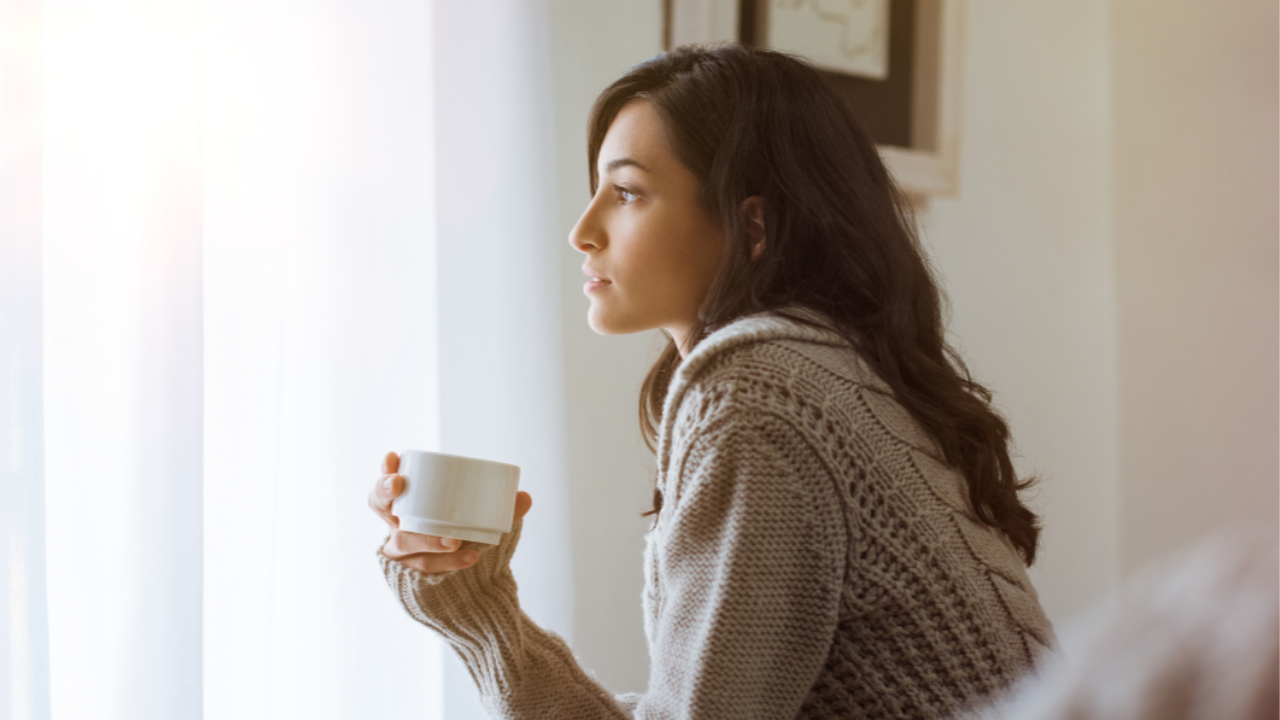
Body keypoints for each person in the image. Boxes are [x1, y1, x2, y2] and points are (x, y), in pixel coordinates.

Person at [368, 43, 1054, 719]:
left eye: (628, 192)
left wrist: (484, 618)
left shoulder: (758, 394)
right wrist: (478, 609)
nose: (582, 231)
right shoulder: (825, 371)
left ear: (751, 225)